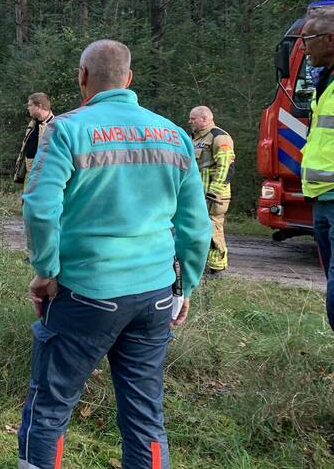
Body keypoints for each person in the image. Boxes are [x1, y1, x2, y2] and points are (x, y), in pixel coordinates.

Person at [18, 40, 211, 469]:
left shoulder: (66, 129)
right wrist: (186, 285)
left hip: (87, 292)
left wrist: (46, 270)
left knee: (50, 407)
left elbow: (39, 206)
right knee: (145, 415)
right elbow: (197, 227)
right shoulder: (175, 135)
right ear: (130, 78)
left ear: (82, 76)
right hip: (155, 296)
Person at [298, 14, 334, 331]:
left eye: (308, 40)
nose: (304, 49)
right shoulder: (324, 82)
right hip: (322, 195)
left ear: (330, 39)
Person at [188, 106, 235, 274]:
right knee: (197, 227)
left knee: (213, 227)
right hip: (198, 193)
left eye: (193, 118)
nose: (190, 121)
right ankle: (202, 265)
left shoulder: (219, 137)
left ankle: (217, 268)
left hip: (214, 195)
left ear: (205, 118)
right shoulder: (194, 138)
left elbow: (225, 166)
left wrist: (214, 191)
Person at [15, 93, 54, 184]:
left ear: (39, 106)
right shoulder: (32, 124)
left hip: (44, 179)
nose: (28, 108)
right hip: (30, 176)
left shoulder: (54, 126)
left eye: (30, 105)